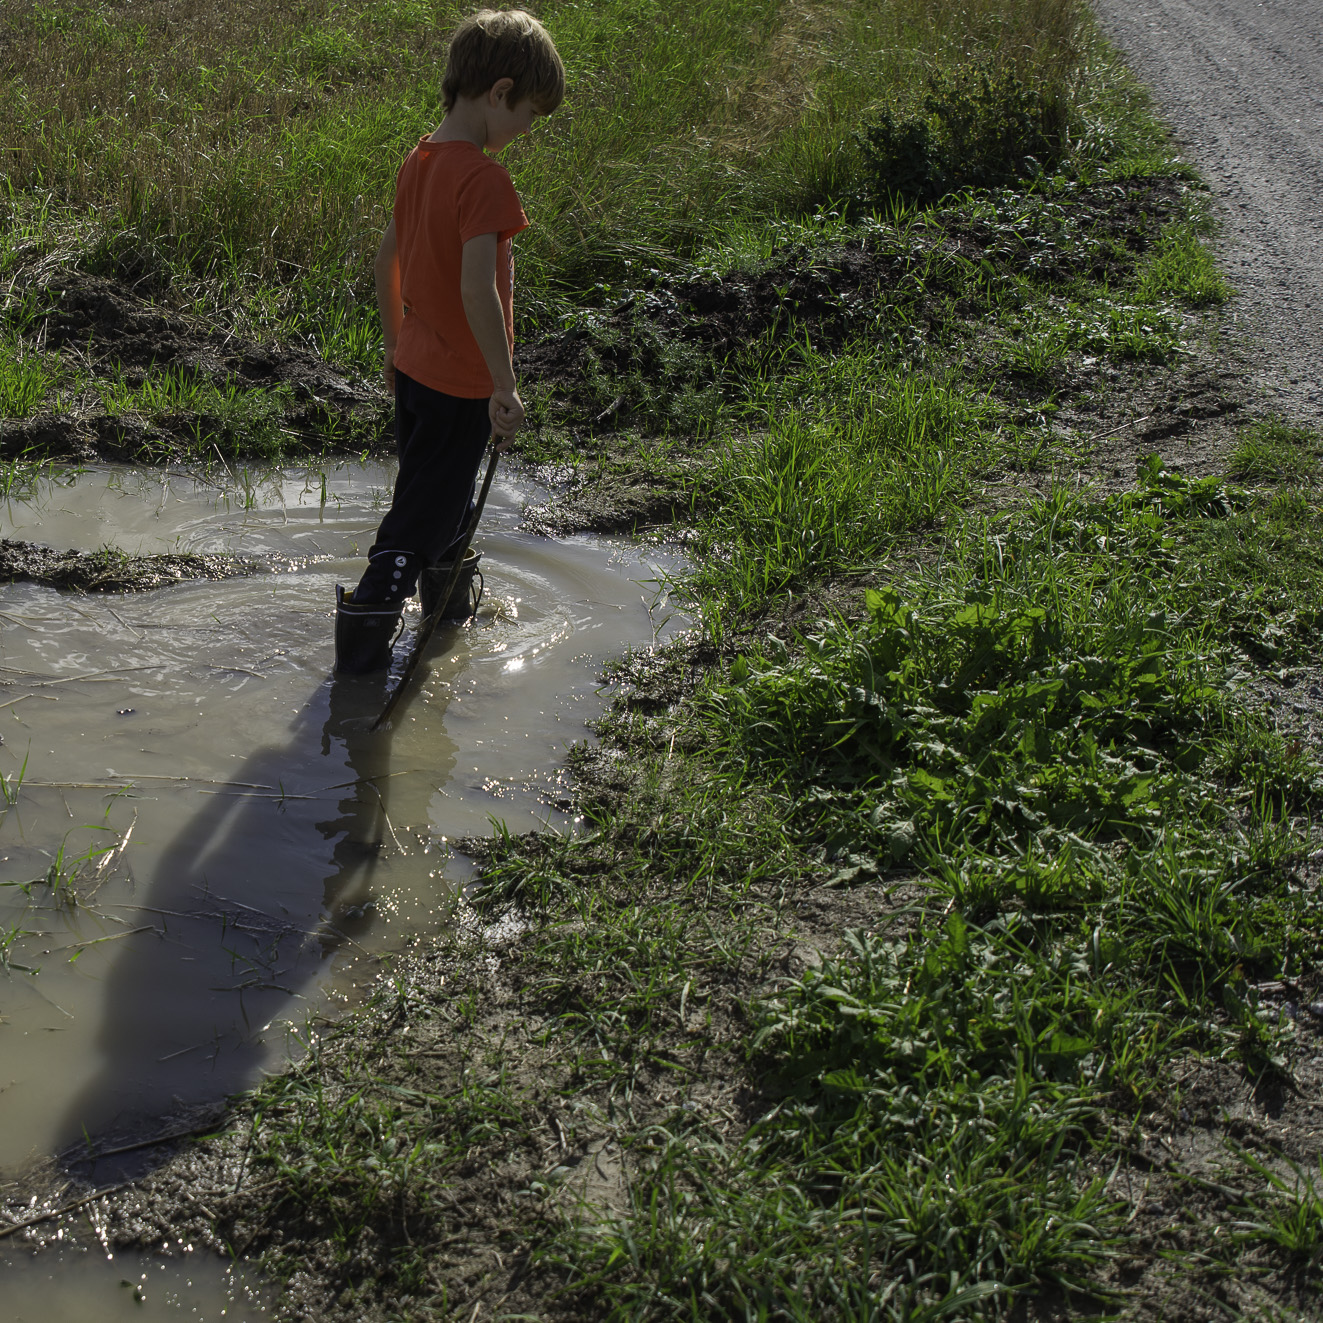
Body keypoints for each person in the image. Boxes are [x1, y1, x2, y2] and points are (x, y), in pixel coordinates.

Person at [335, 8, 564, 673]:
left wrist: (391, 345)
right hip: (459, 383)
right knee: (419, 521)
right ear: (498, 92)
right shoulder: (484, 179)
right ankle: (360, 657)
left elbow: (388, 262)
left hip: (413, 369)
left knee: (442, 496)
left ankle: (448, 615)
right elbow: (476, 290)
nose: (524, 132)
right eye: (527, 115)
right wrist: (503, 385)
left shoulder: (420, 160)